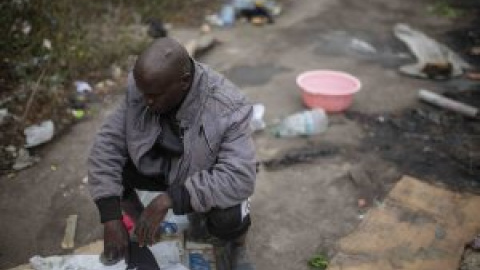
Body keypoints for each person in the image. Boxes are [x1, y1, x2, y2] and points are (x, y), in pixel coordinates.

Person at [87, 37, 256, 269]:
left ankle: (235, 245)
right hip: (166, 169)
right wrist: (110, 215)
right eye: (143, 93)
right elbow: (106, 146)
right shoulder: (143, 89)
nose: (146, 101)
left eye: (154, 96)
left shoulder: (228, 107)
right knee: (118, 167)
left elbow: (240, 177)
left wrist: (169, 199)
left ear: (184, 82)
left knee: (228, 214)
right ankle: (143, 225)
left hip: (202, 173)